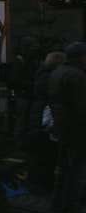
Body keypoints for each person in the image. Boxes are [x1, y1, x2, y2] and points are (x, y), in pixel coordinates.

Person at [47, 41, 86, 213]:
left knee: (64, 166)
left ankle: (58, 201)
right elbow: (81, 107)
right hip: (76, 128)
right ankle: (70, 206)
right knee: (75, 168)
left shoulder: (57, 72)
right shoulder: (78, 76)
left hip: (62, 125)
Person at [27, 51, 64, 194]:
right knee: (43, 153)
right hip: (43, 117)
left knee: (42, 153)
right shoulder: (48, 77)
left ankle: (39, 182)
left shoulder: (43, 74)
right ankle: (40, 183)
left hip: (39, 116)